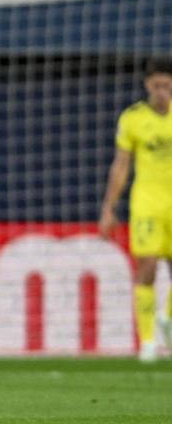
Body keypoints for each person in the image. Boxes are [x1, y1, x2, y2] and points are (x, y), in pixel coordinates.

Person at [99, 57, 172, 363]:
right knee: (148, 267)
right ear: (147, 86)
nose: (162, 92)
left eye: (167, 85)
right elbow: (121, 166)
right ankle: (147, 343)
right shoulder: (133, 119)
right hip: (147, 204)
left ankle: (165, 319)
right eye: (156, 85)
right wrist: (108, 208)